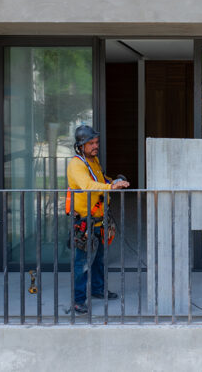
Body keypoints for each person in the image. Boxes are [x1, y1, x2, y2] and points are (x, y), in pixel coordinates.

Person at [67, 125, 129, 314]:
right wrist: (110, 188)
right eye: (91, 143)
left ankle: (97, 289)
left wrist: (113, 182)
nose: (95, 146)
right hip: (85, 221)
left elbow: (100, 178)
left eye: (96, 142)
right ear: (80, 146)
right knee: (82, 263)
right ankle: (78, 301)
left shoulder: (93, 161)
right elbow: (87, 185)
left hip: (98, 219)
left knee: (99, 258)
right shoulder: (77, 164)